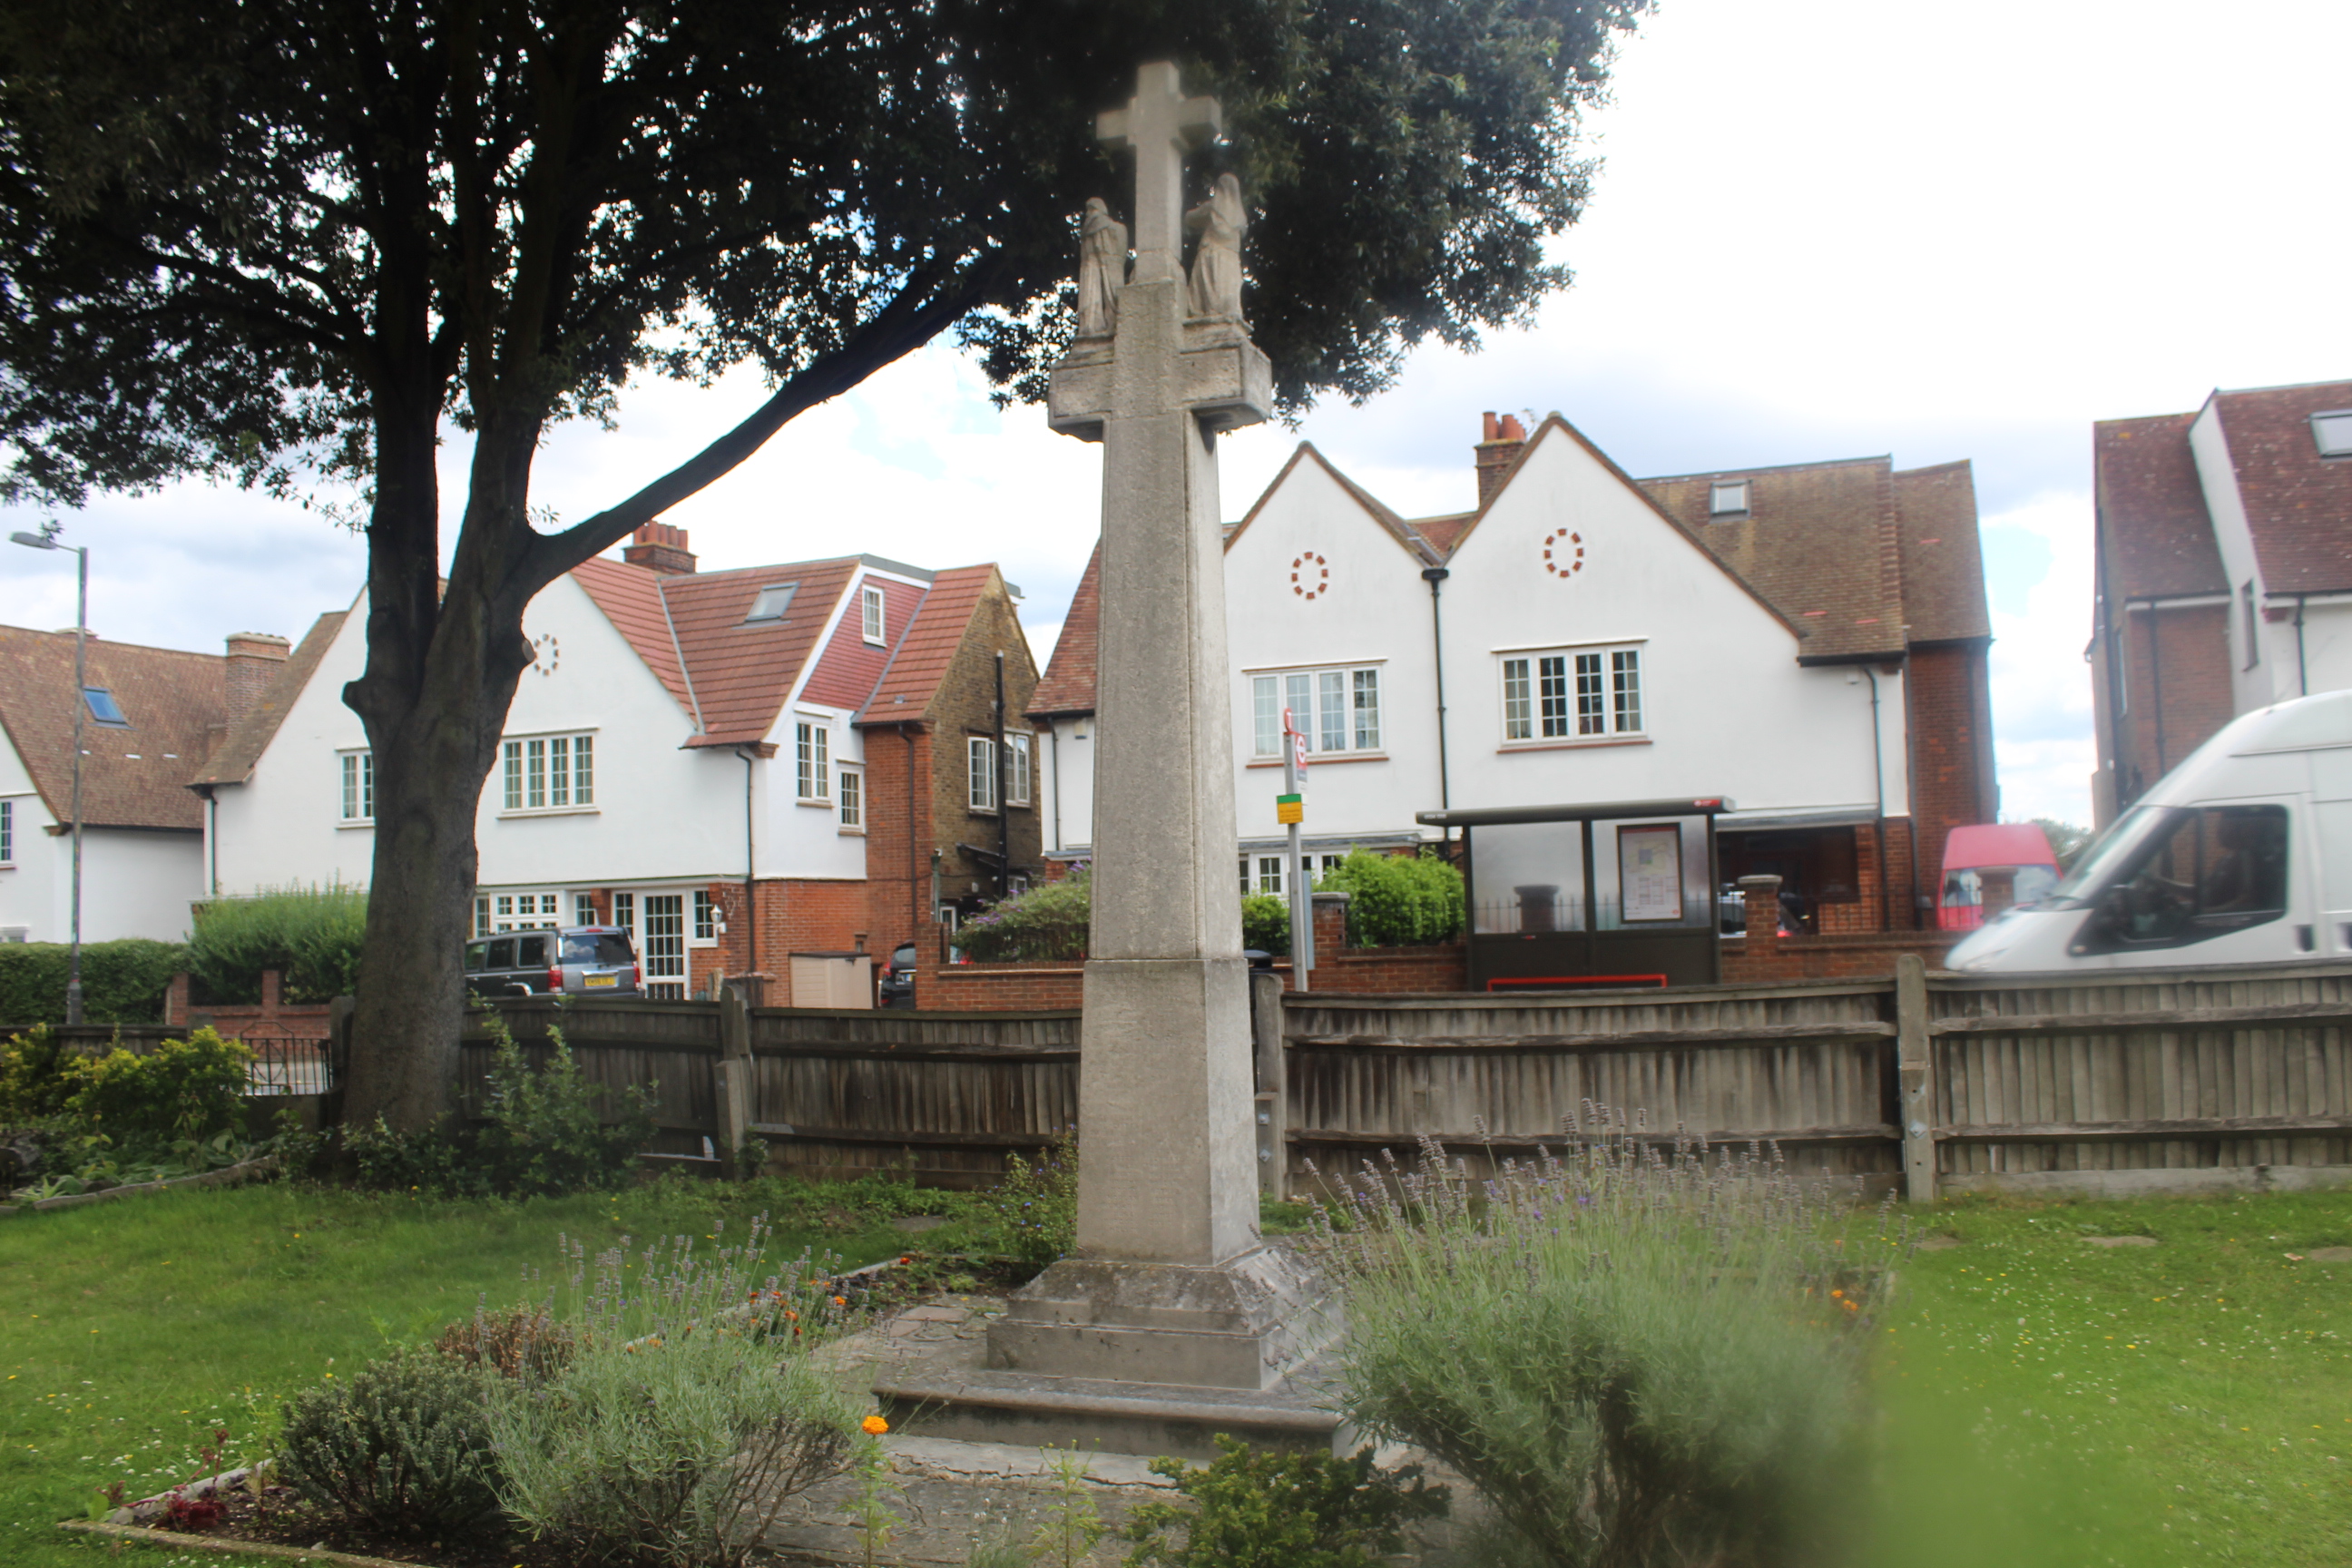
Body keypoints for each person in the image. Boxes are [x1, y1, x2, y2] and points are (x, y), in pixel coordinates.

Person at [1184, 173, 1245, 320]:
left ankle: (1207, 311)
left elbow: (1189, 218)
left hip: (1211, 254)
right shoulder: (1241, 217)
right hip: (1231, 260)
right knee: (1227, 292)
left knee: (1209, 292)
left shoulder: (1212, 208)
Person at [1076, 199, 1125, 339]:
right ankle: (1092, 325)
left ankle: (1107, 324)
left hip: (1101, 263)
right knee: (1092, 295)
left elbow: (1102, 246)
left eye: (1091, 209)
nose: (1088, 213)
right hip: (1091, 266)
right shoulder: (1092, 227)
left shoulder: (1103, 225)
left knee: (1107, 293)